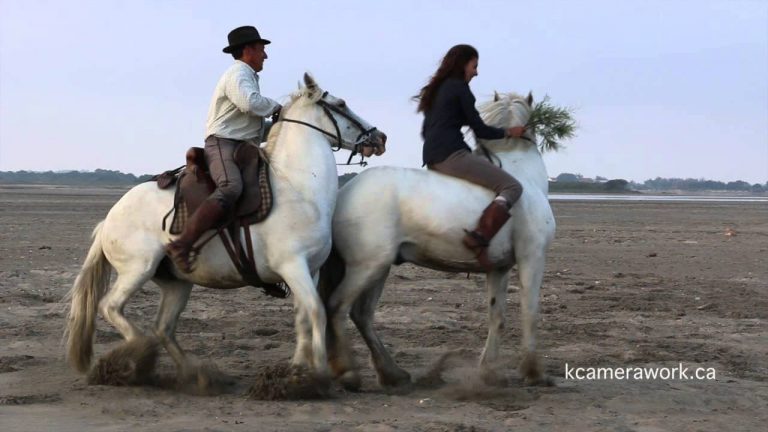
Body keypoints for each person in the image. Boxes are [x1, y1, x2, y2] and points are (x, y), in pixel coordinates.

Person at [166, 25, 282, 273]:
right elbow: (250, 103)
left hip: (243, 144)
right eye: (262, 49)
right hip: (222, 143)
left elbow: (251, 126)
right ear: (248, 49)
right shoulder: (237, 74)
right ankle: (182, 245)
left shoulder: (248, 76)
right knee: (230, 187)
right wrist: (277, 107)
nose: (266, 55)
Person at [415, 44, 525, 267]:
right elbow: (481, 130)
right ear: (463, 64)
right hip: (451, 154)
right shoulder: (460, 88)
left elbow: (433, 127)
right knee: (512, 187)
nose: (476, 72)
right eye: (474, 66)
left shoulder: (437, 89)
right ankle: (479, 238)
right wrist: (509, 132)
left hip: (432, 155)